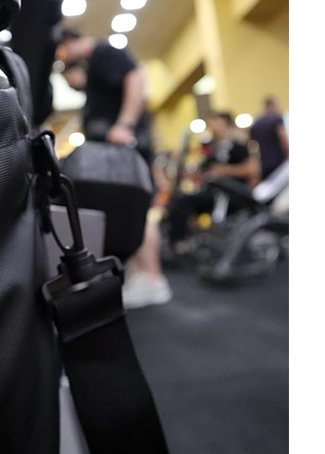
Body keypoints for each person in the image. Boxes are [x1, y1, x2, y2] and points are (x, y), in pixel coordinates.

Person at [56, 28, 171, 306]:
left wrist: (124, 125)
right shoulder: (94, 64)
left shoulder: (103, 52)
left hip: (123, 145)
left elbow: (136, 77)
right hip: (113, 150)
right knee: (126, 211)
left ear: (69, 41)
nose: (61, 58)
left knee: (137, 209)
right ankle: (140, 274)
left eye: (61, 52)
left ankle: (152, 279)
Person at [165, 111, 260, 253]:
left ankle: (181, 243)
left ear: (224, 123)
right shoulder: (212, 149)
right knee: (179, 200)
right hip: (213, 193)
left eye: (215, 121)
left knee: (184, 201)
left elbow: (252, 170)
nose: (212, 125)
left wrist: (224, 171)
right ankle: (179, 243)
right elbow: (203, 172)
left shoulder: (237, 146)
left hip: (233, 195)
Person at [249, 96, 289, 181]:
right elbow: (283, 138)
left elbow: (251, 143)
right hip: (278, 161)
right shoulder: (276, 119)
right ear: (273, 105)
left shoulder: (257, 122)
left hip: (263, 162)